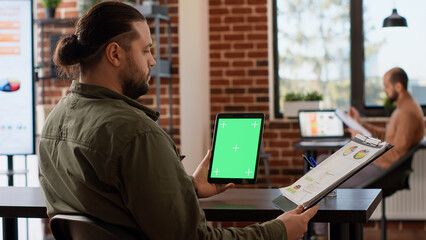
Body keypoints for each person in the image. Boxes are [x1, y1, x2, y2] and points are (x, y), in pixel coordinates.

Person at [38, 2, 318, 240]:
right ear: (115, 54)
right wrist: (278, 231)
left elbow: (110, 207)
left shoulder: (54, 121)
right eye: (146, 50)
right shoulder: (136, 133)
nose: (152, 61)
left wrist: (190, 187)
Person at [341, 67, 424, 188]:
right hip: (380, 165)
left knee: (325, 170)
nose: (384, 90)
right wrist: (360, 123)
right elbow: (388, 136)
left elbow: (397, 153)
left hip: (383, 170)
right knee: (324, 161)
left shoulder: (407, 112)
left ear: (398, 87)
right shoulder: (403, 107)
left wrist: (363, 146)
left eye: (386, 86)